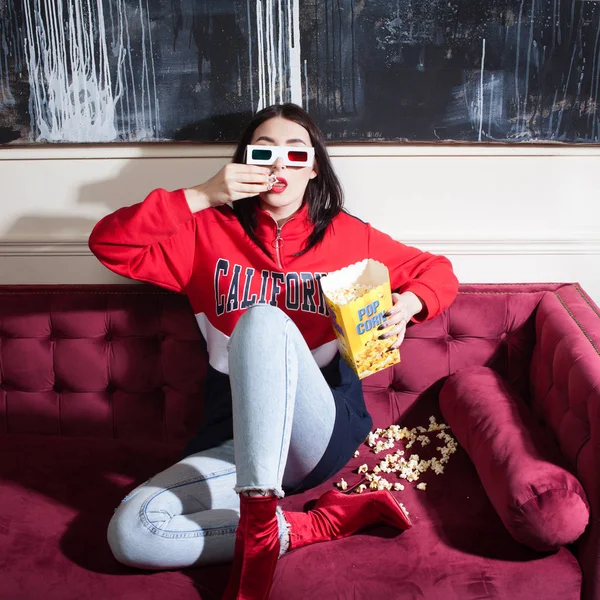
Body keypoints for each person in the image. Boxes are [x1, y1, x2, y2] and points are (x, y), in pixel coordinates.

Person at [88, 103, 459, 600]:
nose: (279, 166)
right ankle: (312, 525)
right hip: (233, 442)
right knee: (132, 535)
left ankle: (260, 532)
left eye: (295, 153)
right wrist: (203, 195)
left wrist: (409, 302)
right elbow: (110, 244)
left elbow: (437, 270)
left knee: (261, 317)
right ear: (244, 164)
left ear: (314, 168)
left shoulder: (351, 237)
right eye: (264, 153)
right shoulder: (205, 233)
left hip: (317, 431)